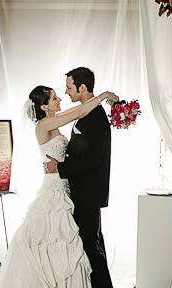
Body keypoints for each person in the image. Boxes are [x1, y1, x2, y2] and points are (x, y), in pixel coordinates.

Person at [0, 84, 117, 287]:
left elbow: (79, 112)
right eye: (54, 98)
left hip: (64, 186)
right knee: (52, 238)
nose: (60, 99)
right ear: (44, 107)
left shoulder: (53, 122)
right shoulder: (43, 125)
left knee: (65, 240)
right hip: (54, 189)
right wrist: (103, 95)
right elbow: (80, 110)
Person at [45, 67, 114, 288]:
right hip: (82, 191)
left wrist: (60, 168)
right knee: (90, 245)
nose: (66, 93)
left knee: (91, 248)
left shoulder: (95, 116)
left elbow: (92, 159)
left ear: (82, 88)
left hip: (88, 193)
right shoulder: (86, 112)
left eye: (69, 87)